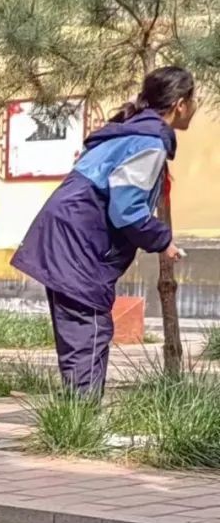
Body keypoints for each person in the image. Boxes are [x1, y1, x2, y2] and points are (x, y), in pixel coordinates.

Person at [11, 66, 196, 396]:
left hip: (65, 238)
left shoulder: (127, 133)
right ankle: (80, 426)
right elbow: (126, 208)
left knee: (81, 332)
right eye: (194, 101)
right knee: (90, 330)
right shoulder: (148, 142)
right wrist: (162, 240)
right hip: (77, 245)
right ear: (180, 103)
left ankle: (77, 417)